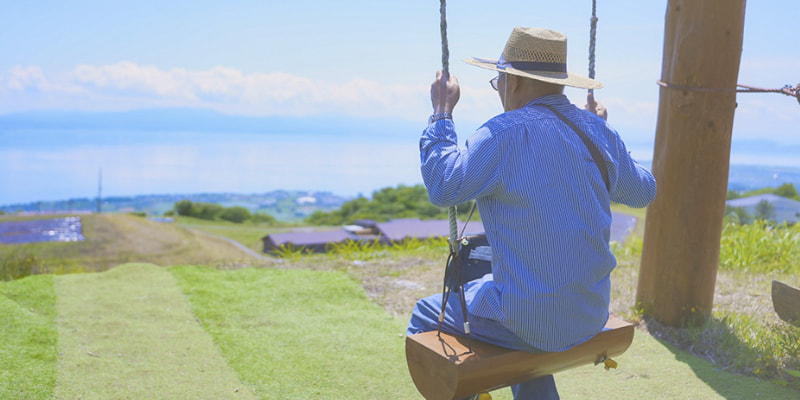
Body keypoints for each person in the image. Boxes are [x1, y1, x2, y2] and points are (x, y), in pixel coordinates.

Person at [407, 27, 657, 400]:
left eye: (499, 81)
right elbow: (644, 191)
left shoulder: (501, 134)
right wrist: (604, 132)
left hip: (529, 321)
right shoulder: (598, 131)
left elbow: (443, 186)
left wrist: (441, 113)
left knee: (427, 316)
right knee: (521, 313)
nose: (500, 89)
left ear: (514, 81)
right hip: (590, 313)